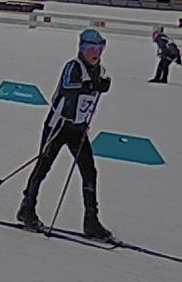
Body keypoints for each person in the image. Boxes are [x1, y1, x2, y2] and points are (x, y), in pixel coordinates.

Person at [18, 28, 115, 240]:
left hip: (78, 130)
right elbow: (68, 86)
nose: (95, 53)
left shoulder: (100, 70)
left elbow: (101, 85)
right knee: (44, 166)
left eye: (99, 48)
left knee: (90, 172)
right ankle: (27, 208)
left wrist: (101, 85)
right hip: (58, 126)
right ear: (81, 49)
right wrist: (89, 85)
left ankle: (91, 221)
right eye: (90, 48)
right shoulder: (74, 66)